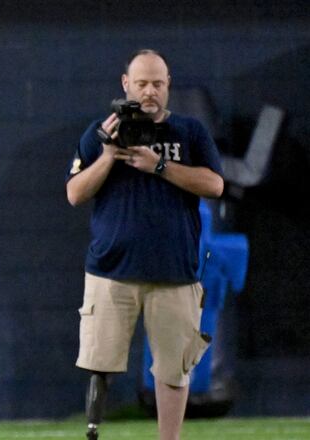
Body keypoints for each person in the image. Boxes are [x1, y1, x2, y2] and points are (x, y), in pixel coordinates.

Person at [66, 49, 224, 440]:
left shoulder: (189, 132)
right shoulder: (100, 132)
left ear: (168, 84)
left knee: (174, 368)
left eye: (157, 83)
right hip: (111, 269)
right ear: (126, 85)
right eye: (141, 83)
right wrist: (108, 156)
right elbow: (74, 193)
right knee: (98, 362)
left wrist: (159, 165)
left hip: (174, 271)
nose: (149, 91)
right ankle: (93, 432)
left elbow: (216, 185)